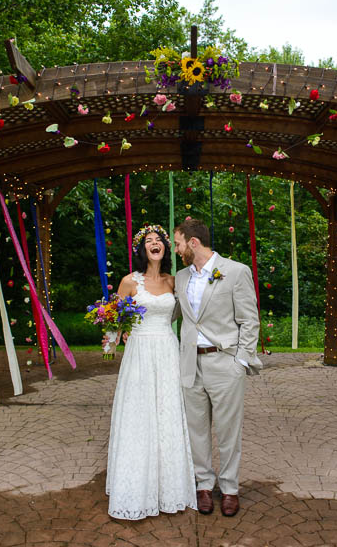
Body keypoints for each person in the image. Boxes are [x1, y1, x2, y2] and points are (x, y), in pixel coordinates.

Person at [105, 225, 197, 520]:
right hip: (140, 353)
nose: (154, 243)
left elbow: (183, 313)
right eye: (149, 240)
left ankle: (168, 485)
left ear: (166, 248)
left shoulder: (174, 281)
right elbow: (114, 317)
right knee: (140, 414)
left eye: (159, 240)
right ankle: (134, 485)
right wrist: (110, 344)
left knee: (166, 413)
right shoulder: (130, 281)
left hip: (167, 350)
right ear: (141, 249)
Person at [173, 218, 262, 517]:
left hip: (225, 363)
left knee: (227, 431)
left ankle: (230, 489)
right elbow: (172, 313)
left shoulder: (236, 272)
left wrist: (240, 361)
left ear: (193, 243)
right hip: (190, 363)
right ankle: (203, 486)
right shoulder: (181, 277)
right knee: (196, 429)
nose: (176, 249)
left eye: (178, 243)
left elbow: (250, 320)